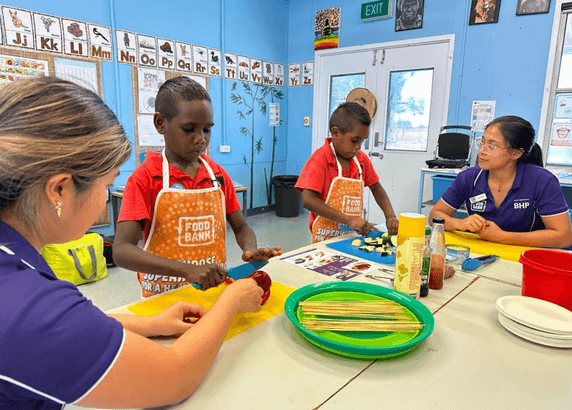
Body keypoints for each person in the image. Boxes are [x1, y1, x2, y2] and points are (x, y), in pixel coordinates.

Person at [0, 77, 266, 409]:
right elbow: (174, 376)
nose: (104, 201)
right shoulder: (30, 305)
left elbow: (78, 328)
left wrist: (147, 324)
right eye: (107, 184)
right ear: (60, 190)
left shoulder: (17, 263)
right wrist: (232, 299)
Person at [113, 76, 281, 297]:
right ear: (160, 123)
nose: (200, 139)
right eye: (189, 129)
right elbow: (122, 251)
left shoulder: (218, 175)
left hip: (211, 290)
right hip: (163, 297)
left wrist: (249, 248)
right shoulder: (145, 178)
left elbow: (241, 227)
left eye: (206, 130)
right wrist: (187, 270)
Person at [430, 115, 572, 249]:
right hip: (483, 251)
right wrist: (459, 223)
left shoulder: (541, 180)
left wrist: (502, 237)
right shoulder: (468, 177)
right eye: (482, 142)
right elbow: (435, 215)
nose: (482, 151)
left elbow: (563, 237)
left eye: (492, 146)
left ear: (515, 153)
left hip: (526, 255)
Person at [295, 102, 399, 243]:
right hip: (325, 238)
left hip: (353, 236)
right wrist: (348, 220)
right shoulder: (320, 160)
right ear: (335, 133)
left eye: (362, 141)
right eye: (354, 140)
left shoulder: (361, 160)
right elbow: (308, 200)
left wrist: (390, 216)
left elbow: (377, 188)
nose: (358, 147)